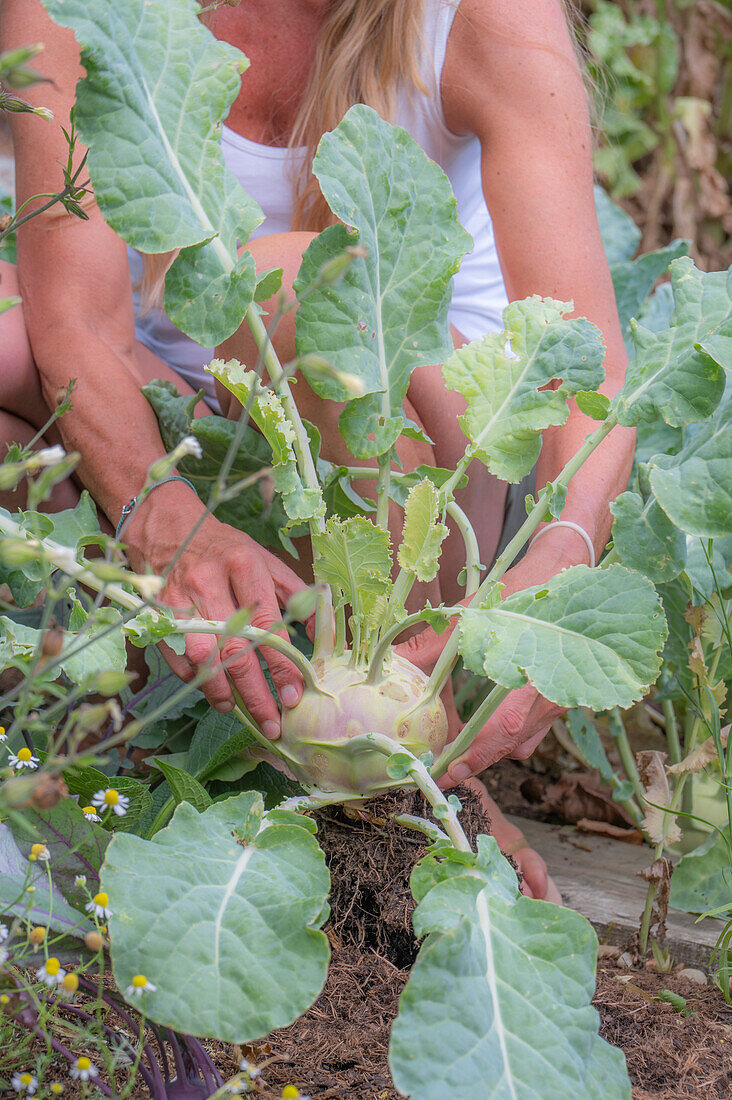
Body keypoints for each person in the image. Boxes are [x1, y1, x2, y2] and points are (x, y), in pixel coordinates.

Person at [0, 0, 635, 901]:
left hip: (405, 467)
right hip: (167, 432)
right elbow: (74, 320)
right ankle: (119, 714)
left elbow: (594, 370)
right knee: (7, 333)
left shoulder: (483, 17)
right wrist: (164, 518)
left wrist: (564, 556)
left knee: (306, 289)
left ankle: (404, 778)